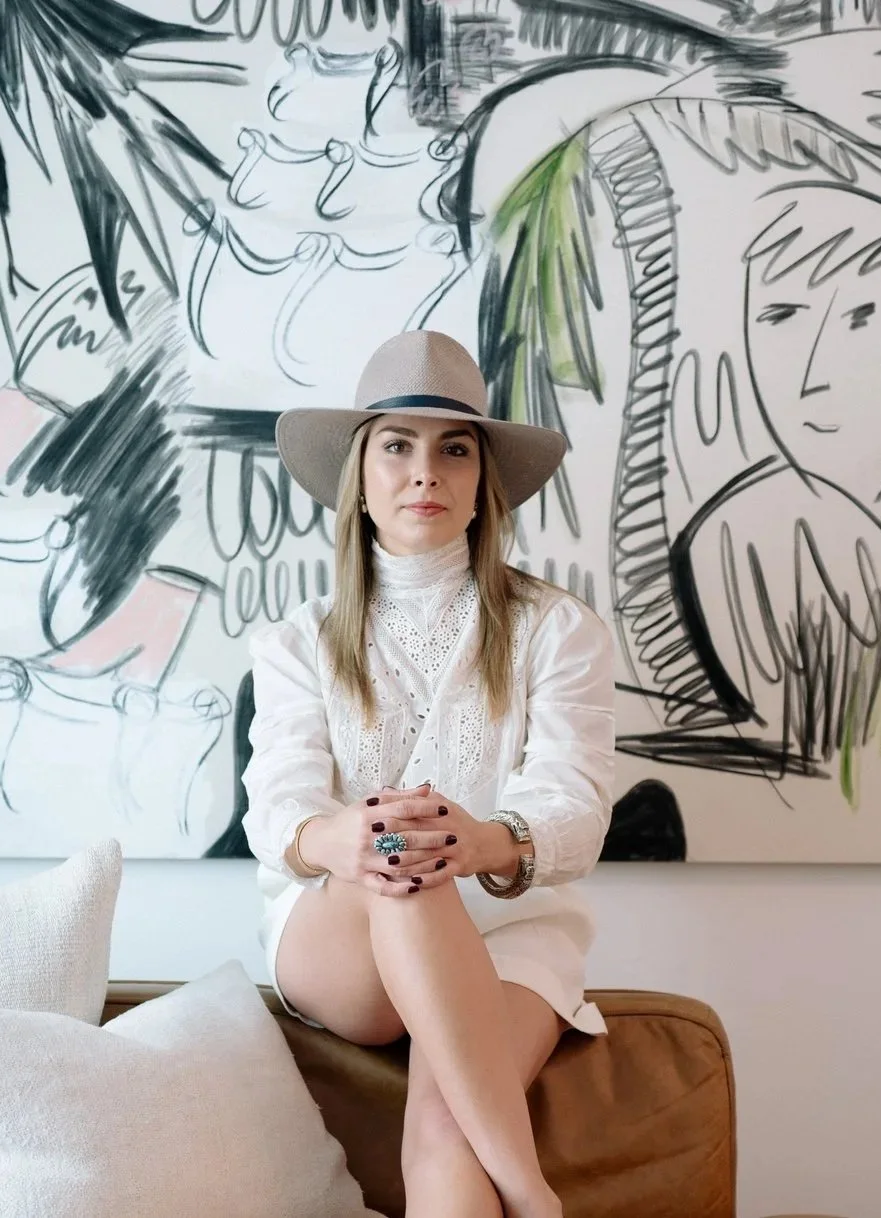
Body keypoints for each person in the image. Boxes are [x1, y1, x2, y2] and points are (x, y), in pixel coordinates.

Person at [242, 329, 616, 1218]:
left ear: (483, 481)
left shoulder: (558, 628)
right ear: (360, 476)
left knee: (446, 1129)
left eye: (455, 450)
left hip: (512, 936)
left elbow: (575, 805)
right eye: (397, 446)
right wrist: (346, 838)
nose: (425, 474)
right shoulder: (296, 641)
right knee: (399, 857)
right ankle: (531, 1192)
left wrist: (481, 842)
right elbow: (279, 809)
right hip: (343, 933)